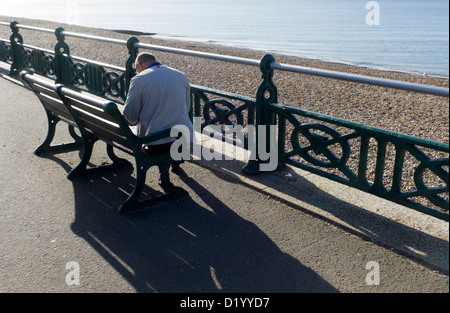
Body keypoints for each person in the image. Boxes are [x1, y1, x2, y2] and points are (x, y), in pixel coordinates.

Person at [123, 52, 193, 185]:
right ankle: (173, 165)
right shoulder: (180, 75)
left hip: (155, 144)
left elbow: (130, 117)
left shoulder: (139, 79)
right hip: (183, 140)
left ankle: (165, 176)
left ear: (139, 65)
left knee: (154, 130)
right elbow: (187, 107)